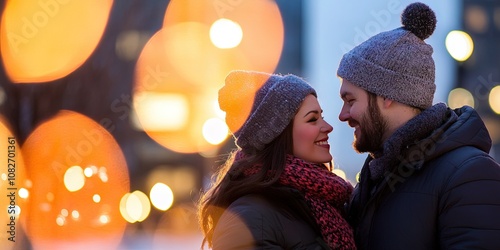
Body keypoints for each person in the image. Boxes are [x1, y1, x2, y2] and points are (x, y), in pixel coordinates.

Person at [336, 2, 500, 250]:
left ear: (386, 96)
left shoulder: (468, 175)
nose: (342, 115)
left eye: (350, 100)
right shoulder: (378, 176)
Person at [198, 70, 356, 249]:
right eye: (312, 119)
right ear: (278, 133)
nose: (328, 127)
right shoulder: (247, 220)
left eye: (322, 117)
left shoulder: (323, 203)